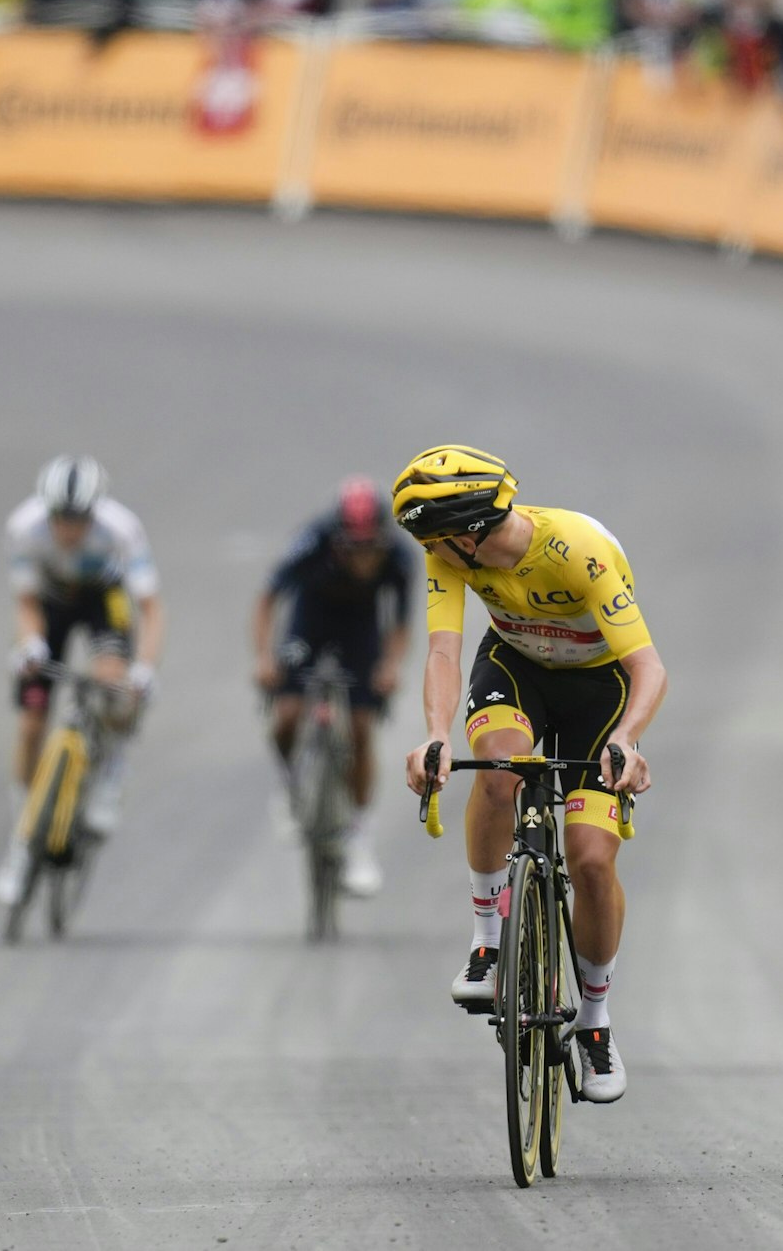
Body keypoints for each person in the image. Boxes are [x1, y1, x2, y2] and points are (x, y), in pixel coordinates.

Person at [395, 446, 667, 1104]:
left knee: (593, 861)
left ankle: (595, 1023)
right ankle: (489, 942)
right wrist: (434, 735)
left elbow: (648, 669)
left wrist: (626, 742)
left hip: (598, 687)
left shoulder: (578, 550)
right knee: (497, 772)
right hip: (514, 668)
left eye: (434, 538)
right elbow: (442, 650)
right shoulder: (448, 556)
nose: (428, 550)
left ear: (468, 534)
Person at [0, 456, 163, 905]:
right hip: (51, 604)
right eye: (60, 520)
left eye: (79, 520)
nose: (69, 530)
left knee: (112, 683)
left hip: (103, 599)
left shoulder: (122, 530)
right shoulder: (24, 528)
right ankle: (21, 838)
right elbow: (26, 602)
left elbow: (150, 609)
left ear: (95, 513)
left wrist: (144, 668)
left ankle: (110, 769)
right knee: (31, 722)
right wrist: (29, 645)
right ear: (46, 512)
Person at [253, 476, 414, 897]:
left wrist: (391, 666)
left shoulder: (399, 556)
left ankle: (359, 833)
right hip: (312, 622)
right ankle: (289, 784)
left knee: (361, 728)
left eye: (370, 548)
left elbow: (399, 624)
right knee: (287, 715)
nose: (363, 558)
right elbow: (268, 600)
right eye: (353, 548)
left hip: (360, 632)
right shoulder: (313, 540)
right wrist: (265, 659)